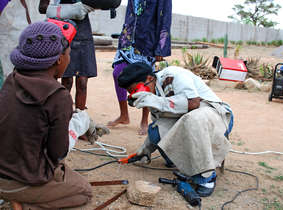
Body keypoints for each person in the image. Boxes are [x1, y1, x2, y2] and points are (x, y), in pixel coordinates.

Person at [0, 21, 92, 210]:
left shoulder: (12, 79)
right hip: (22, 181)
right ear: (59, 59)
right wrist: (77, 125)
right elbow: (58, 152)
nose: (69, 59)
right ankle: (26, 204)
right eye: (68, 54)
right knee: (84, 191)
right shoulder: (58, 96)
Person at [118, 62, 234, 197]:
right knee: (156, 132)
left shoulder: (173, 75)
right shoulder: (153, 91)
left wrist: (155, 101)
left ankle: (207, 177)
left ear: (150, 79)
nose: (136, 94)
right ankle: (188, 165)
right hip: (188, 120)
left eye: (136, 90)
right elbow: (162, 123)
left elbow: (194, 103)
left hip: (215, 115)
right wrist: (145, 150)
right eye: (132, 93)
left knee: (193, 120)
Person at [108, 0, 172, 135]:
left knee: (145, 81)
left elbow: (165, 18)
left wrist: (161, 47)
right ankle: (124, 115)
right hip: (128, 37)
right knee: (118, 73)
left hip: (147, 40)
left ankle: (144, 120)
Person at [39, 0, 97, 111]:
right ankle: (62, 116)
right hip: (63, 31)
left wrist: (86, 7)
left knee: (82, 82)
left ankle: (80, 119)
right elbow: (42, 7)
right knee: (67, 81)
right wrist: (70, 10)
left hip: (83, 34)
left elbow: (101, 4)